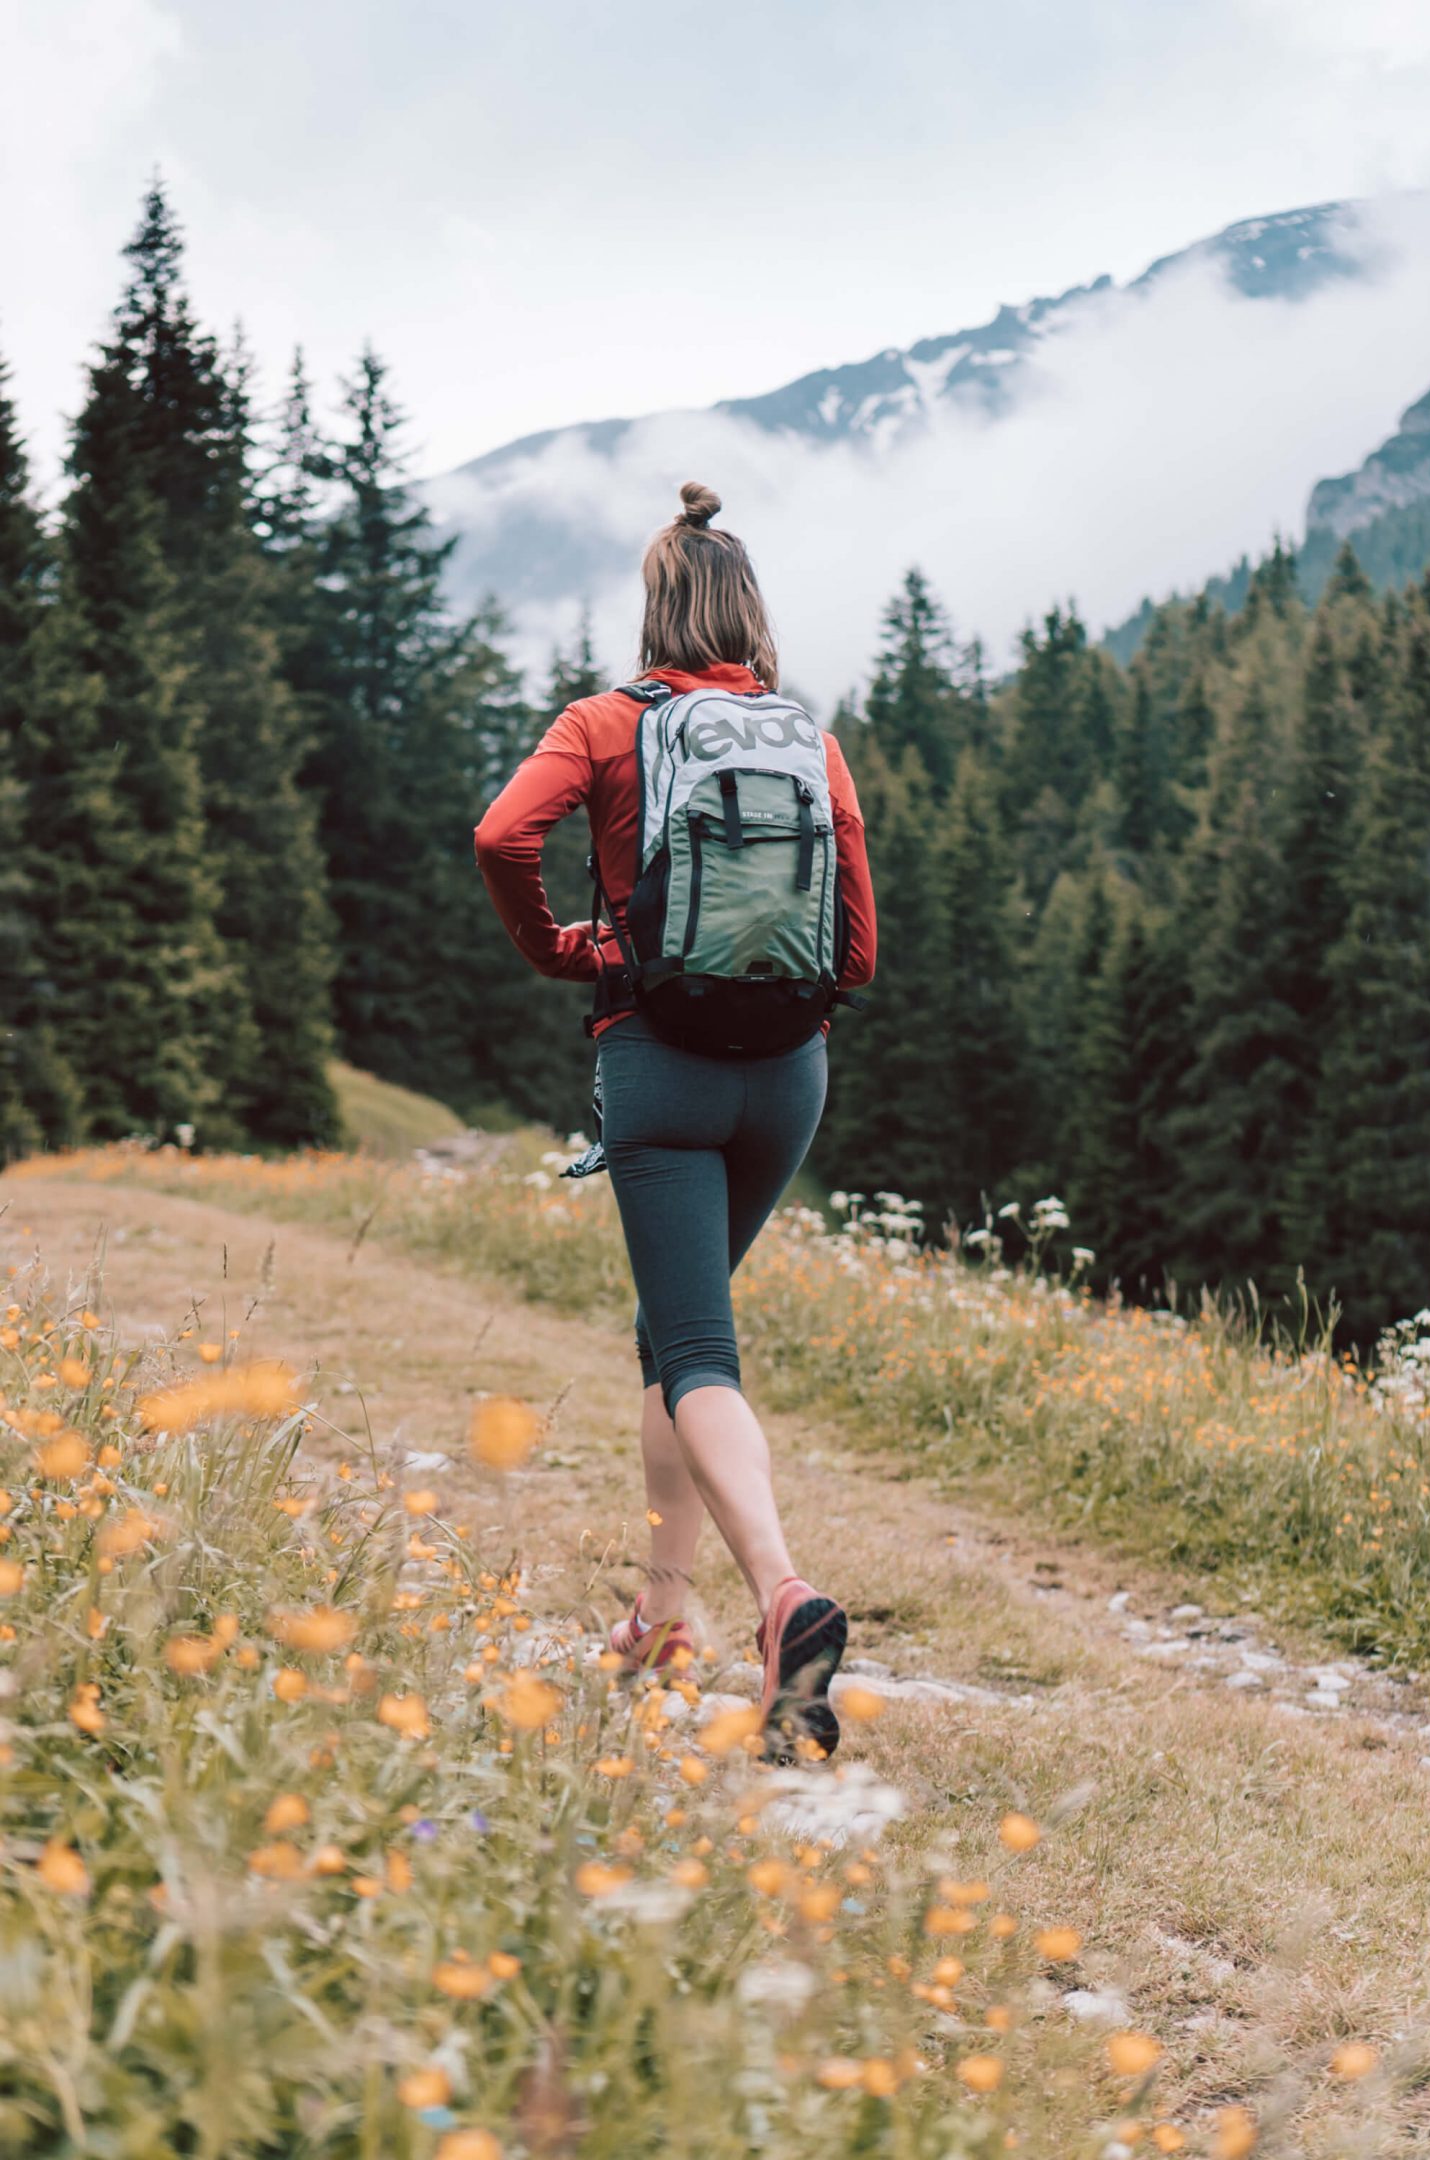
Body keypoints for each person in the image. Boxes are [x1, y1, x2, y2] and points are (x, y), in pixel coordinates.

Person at [475, 482, 877, 1760]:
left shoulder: (606, 723)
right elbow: (857, 952)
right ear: (749, 613)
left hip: (657, 1064)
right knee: (673, 1329)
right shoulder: (806, 741)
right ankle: (662, 1613)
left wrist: (567, 949)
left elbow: (500, 835)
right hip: (789, 1075)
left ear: (653, 608)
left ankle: (781, 1598)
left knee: (696, 1351)